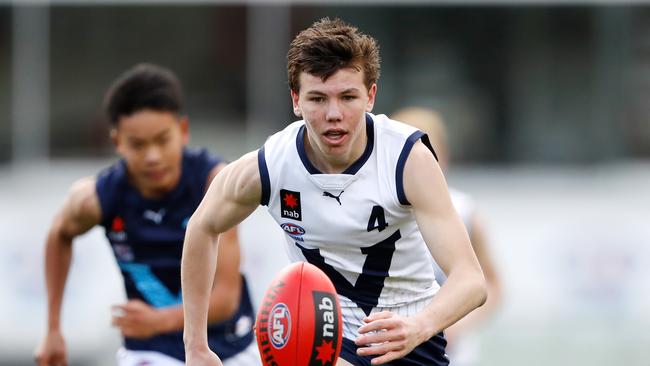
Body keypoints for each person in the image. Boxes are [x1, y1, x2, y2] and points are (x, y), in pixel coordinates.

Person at [181, 18, 487, 366]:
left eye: (348, 97)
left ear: (370, 95)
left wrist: (418, 326)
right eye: (317, 98)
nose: (333, 114)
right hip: (324, 340)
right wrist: (195, 347)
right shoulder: (270, 165)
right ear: (296, 100)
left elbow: (472, 280)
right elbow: (202, 227)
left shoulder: (407, 158)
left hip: (407, 338)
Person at [34, 63, 259, 366]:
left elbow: (225, 300)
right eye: (138, 145)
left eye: (162, 140)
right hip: (151, 350)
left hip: (227, 346)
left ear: (182, 131)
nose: (152, 156)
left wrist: (158, 320)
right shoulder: (96, 198)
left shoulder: (215, 184)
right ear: (117, 142)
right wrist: (52, 329)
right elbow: (59, 233)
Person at [391, 106, 502, 366]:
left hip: (453, 355)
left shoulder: (464, 211)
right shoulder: (375, 211)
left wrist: (455, 324)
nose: (421, 162)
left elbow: (492, 284)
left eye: (430, 153)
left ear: (445, 156)